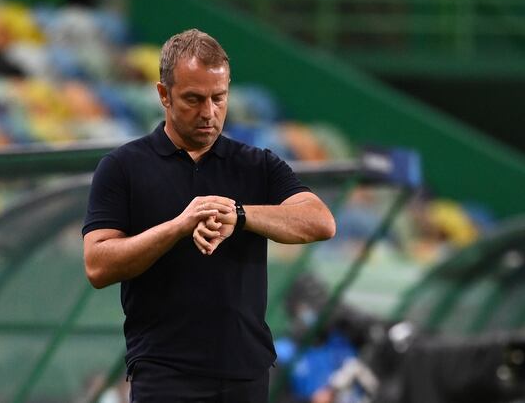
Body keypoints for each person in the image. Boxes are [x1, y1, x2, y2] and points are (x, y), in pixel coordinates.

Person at [82, 28, 336, 403]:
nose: (209, 112)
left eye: (219, 98)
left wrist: (240, 215)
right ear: (163, 95)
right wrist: (178, 227)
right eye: (193, 99)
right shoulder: (123, 168)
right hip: (164, 373)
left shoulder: (256, 165)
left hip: (246, 374)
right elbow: (97, 264)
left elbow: (321, 221)